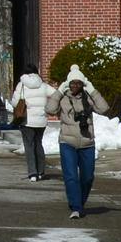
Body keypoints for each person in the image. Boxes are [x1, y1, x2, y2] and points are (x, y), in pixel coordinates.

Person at [45, 65, 107, 219]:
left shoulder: (88, 97)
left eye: (78, 83)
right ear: (68, 83)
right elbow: (50, 109)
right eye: (72, 83)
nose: (75, 86)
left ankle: (79, 203)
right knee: (71, 176)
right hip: (67, 142)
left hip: (87, 142)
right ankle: (76, 207)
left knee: (87, 177)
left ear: (83, 84)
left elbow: (104, 108)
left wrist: (92, 90)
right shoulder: (63, 98)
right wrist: (59, 91)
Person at [10, 63, 52, 181]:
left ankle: (32, 173)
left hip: (27, 120)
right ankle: (41, 171)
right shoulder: (43, 85)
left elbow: (14, 103)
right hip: (41, 120)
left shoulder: (21, 85)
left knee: (29, 146)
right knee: (39, 144)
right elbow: (55, 95)